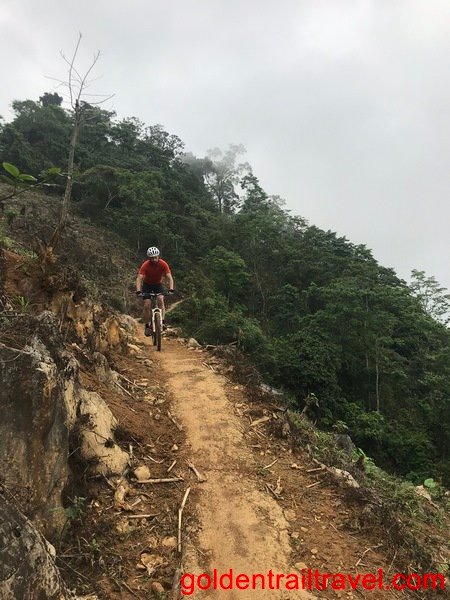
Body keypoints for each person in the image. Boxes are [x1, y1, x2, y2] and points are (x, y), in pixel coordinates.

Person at [136, 247, 174, 336]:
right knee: (147, 304)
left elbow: (169, 277)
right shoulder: (145, 265)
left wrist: (171, 289)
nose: (153, 259)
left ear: (158, 256)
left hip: (158, 285)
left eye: (155, 257)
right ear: (149, 258)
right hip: (147, 285)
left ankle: (162, 322)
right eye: (151, 258)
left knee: (160, 299)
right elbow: (139, 278)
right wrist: (138, 291)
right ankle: (147, 326)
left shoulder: (163, 264)